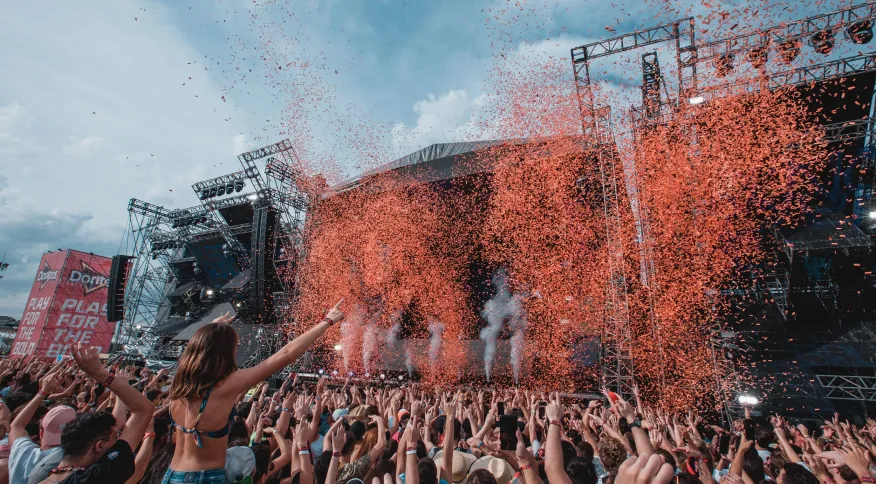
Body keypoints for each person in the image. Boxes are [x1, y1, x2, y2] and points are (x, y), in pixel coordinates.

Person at [162, 301, 345, 483]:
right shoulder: (225, 386)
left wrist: (212, 328)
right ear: (225, 352)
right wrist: (327, 321)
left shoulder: (180, 385)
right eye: (235, 347)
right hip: (205, 477)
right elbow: (286, 354)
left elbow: (197, 348)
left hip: (171, 474)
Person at [37, 344, 154, 484]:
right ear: (99, 446)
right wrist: (101, 374)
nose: (118, 440)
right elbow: (144, 410)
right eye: (115, 437)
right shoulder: (95, 477)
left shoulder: (41, 469)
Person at [7, 369, 75, 484]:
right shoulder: (71, 461)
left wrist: (43, 392)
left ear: (42, 431)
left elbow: (16, 425)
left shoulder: (22, 451)